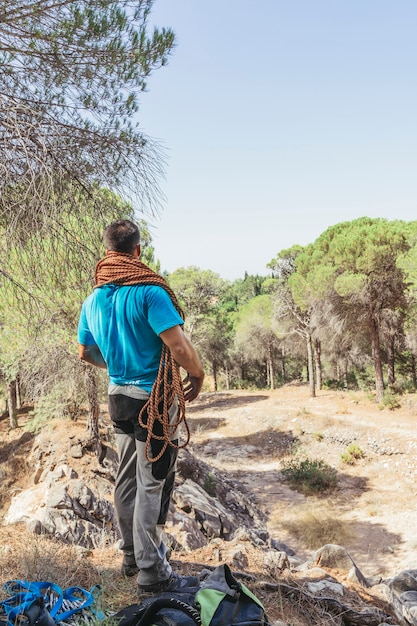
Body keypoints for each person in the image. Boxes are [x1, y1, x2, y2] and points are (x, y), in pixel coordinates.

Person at [77, 219, 205, 594]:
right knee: (153, 483)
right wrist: (197, 375)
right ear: (137, 251)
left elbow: (85, 352)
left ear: (106, 251)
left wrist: (117, 368)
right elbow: (179, 347)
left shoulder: (92, 300)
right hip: (153, 400)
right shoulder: (150, 292)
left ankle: (131, 556)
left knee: (127, 479)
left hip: (118, 398)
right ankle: (152, 571)